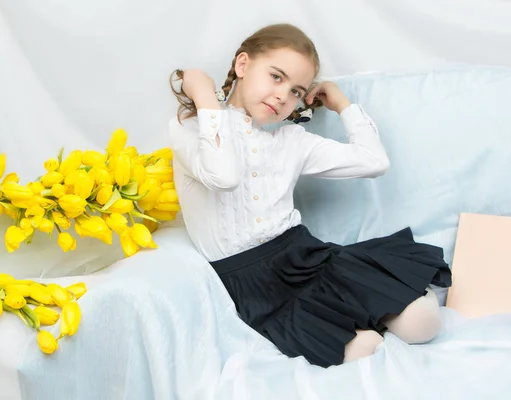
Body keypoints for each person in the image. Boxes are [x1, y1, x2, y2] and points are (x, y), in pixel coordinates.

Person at [167, 23, 451, 368]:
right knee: (365, 349)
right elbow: (223, 176)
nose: (283, 96)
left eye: (296, 91)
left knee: (423, 323)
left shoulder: (290, 141)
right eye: (276, 77)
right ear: (243, 65)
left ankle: (370, 309)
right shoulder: (191, 127)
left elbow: (374, 161)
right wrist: (205, 97)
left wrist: (342, 104)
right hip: (254, 285)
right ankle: (361, 320)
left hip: (306, 256)